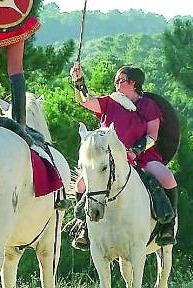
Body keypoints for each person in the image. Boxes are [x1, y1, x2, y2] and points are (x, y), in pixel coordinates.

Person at [69, 63, 179, 248]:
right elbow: (85, 100)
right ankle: (83, 227)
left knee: (168, 179)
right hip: (109, 158)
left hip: (142, 157)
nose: (116, 83)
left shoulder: (148, 106)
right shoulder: (109, 102)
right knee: (81, 184)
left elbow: (152, 136)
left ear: (134, 83)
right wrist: (78, 81)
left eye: (121, 80)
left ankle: (167, 225)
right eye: (116, 80)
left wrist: (133, 152)